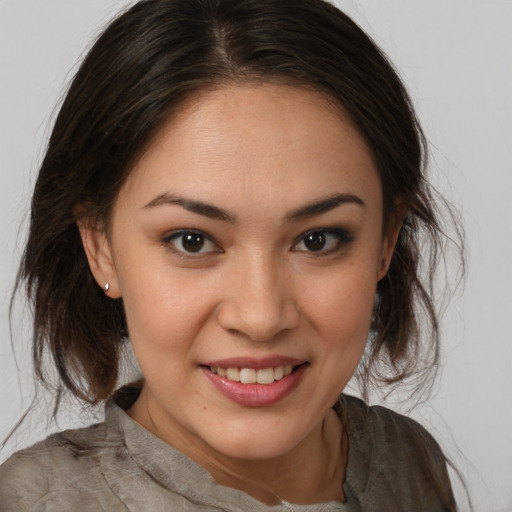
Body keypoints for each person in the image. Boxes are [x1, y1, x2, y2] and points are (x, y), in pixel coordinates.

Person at [0, 0, 464, 510]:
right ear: (100, 247)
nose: (261, 317)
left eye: (318, 239)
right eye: (191, 240)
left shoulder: (410, 463)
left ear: (385, 241)